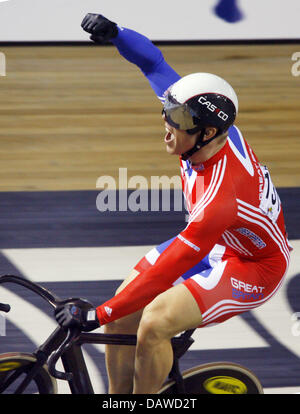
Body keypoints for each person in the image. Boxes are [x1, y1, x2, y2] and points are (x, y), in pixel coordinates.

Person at [55, 14, 292, 394]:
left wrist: (95, 315)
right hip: (220, 242)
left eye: (176, 119)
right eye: (167, 110)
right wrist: (116, 34)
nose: (166, 123)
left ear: (207, 132)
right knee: (121, 318)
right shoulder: (197, 123)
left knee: (154, 323)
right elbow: (154, 63)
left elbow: (170, 268)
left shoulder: (221, 196)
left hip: (253, 266)